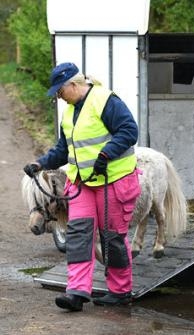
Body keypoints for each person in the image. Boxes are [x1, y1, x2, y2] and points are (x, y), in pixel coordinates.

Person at [22, 62, 141, 311]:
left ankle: (120, 292)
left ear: (73, 85)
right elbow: (63, 150)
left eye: (60, 91)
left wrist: (106, 154)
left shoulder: (106, 101)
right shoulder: (69, 112)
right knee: (78, 235)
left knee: (112, 238)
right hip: (83, 183)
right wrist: (40, 163)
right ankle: (76, 292)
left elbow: (129, 131)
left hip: (112, 179)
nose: (59, 97)